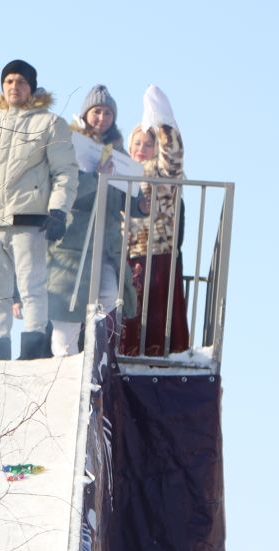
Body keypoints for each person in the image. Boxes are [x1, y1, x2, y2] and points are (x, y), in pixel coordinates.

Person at [0, 58, 76, 361]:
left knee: (32, 287)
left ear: (31, 87)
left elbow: (65, 172)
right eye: (8, 81)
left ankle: (32, 352)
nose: (14, 87)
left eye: (20, 81)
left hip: (29, 221)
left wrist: (58, 210)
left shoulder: (49, 123)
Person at [45, 85, 132, 356]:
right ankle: (63, 366)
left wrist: (139, 206)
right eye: (97, 111)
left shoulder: (118, 152)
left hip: (103, 245)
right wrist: (96, 177)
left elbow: (125, 196)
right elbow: (64, 187)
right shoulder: (70, 143)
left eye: (107, 113)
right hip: (72, 242)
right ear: (86, 113)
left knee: (109, 295)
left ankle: (96, 356)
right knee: (67, 309)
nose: (102, 118)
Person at [120, 86, 189, 357]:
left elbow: (173, 157)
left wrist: (164, 125)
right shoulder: (121, 170)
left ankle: (159, 352)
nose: (141, 148)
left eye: (148, 144)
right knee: (129, 309)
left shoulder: (161, 172)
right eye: (137, 143)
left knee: (158, 310)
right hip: (126, 253)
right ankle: (127, 350)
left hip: (157, 250)